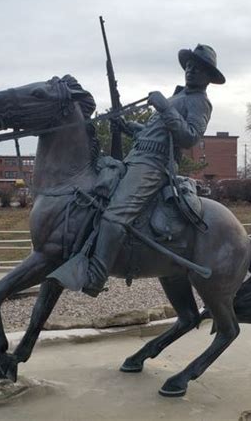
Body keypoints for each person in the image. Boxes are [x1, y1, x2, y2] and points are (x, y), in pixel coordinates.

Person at [82, 44, 225, 297]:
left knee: (116, 214)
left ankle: (96, 275)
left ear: (208, 77)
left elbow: (189, 137)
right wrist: (126, 126)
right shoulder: (178, 97)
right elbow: (153, 133)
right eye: (189, 65)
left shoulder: (200, 102)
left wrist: (164, 108)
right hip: (135, 159)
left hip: (154, 166)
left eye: (198, 68)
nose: (191, 70)